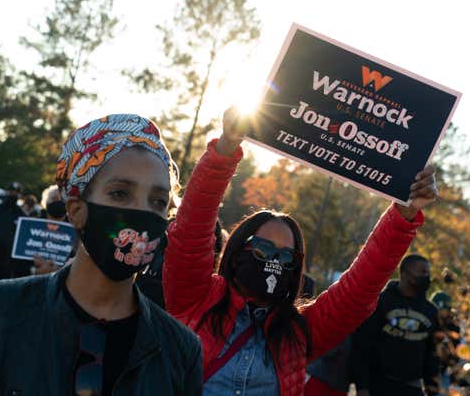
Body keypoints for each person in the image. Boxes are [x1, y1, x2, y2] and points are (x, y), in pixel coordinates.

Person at [0, 114, 202, 396]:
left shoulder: (180, 350)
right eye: (120, 193)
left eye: (158, 200)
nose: (141, 212)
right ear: (76, 209)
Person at [162, 108, 438, 396]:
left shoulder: (297, 334)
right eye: (263, 249)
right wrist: (225, 149)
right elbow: (191, 228)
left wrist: (404, 215)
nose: (273, 261)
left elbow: (359, 289)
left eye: (285, 257)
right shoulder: (196, 299)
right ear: (238, 251)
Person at [352, 254, 440, 396]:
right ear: (405, 273)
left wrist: (432, 389)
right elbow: (362, 346)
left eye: (428, 273)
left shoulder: (431, 311)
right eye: (422, 272)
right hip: (379, 386)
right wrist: (361, 386)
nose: (427, 277)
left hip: (413, 388)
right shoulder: (380, 302)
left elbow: (432, 355)